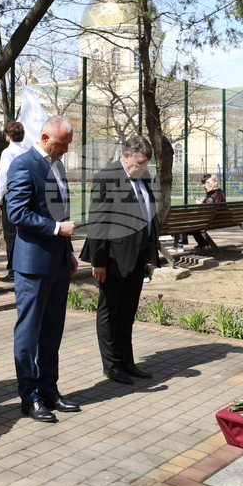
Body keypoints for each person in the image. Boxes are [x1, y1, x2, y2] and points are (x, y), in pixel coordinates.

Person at [5, 116, 80, 423]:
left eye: (67, 146)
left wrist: (69, 250)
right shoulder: (23, 165)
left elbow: (62, 212)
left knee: (52, 329)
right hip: (33, 264)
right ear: (46, 136)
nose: (64, 151)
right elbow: (17, 212)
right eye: (61, 144)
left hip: (58, 261)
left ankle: (49, 389)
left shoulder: (57, 166)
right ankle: (29, 396)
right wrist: (55, 230)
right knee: (29, 330)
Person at [81, 135, 159, 385]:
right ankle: (112, 365)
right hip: (113, 258)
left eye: (146, 163)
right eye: (140, 163)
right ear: (126, 156)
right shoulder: (108, 177)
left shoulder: (142, 177)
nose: (143, 168)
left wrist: (148, 254)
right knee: (109, 312)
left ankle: (128, 362)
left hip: (137, 256)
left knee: (127, 312)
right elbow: (99, 222)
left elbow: (148, 217)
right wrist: (99, 261)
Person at [0, 121, 26, 283]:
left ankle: (13, 271)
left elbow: (3, 178)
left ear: (8, 135)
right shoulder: (27, 152)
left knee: (11, 235)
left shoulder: (7, 153)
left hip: (12, 198)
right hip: (27, 197)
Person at [173, 174, 225, 252]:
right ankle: (202, 243)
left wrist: (200, 205)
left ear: (211, 186)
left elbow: (205, 213)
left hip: (208, 222)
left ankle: (178, 245)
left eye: (205, 186)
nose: (204, 187)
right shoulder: (220, 193)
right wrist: (204, 202)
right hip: (218, 221)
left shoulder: (211, 197)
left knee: (180, 221)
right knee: (194, 224)